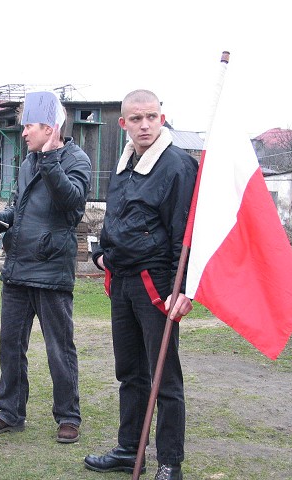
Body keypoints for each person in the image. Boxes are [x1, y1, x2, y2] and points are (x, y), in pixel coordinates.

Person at [83, 90, 198, 480]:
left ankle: (170, 463)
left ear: (162, 118)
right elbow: (118, 220)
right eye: (136, 118)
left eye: (151, 116)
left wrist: (182, 289)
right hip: (122, 282)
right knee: (130, 372)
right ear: (124, 124)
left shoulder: (179, 165)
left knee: (164, 376)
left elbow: (185, 233)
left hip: (158, 284)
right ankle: (130, 451)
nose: (145, 124)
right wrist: (102, 254)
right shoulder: (123, 163)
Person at [0, 91, 91, 444]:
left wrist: (52, 158)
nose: (23, 133)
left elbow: (71, 206)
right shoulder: (28, 162)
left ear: (50, 128)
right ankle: (10, 412)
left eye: (29, 126)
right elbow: (21, 210)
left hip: (52, 272)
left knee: (60, 349)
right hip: (17, 268)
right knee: (10, 346)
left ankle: (68, 417)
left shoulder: (76, 160)